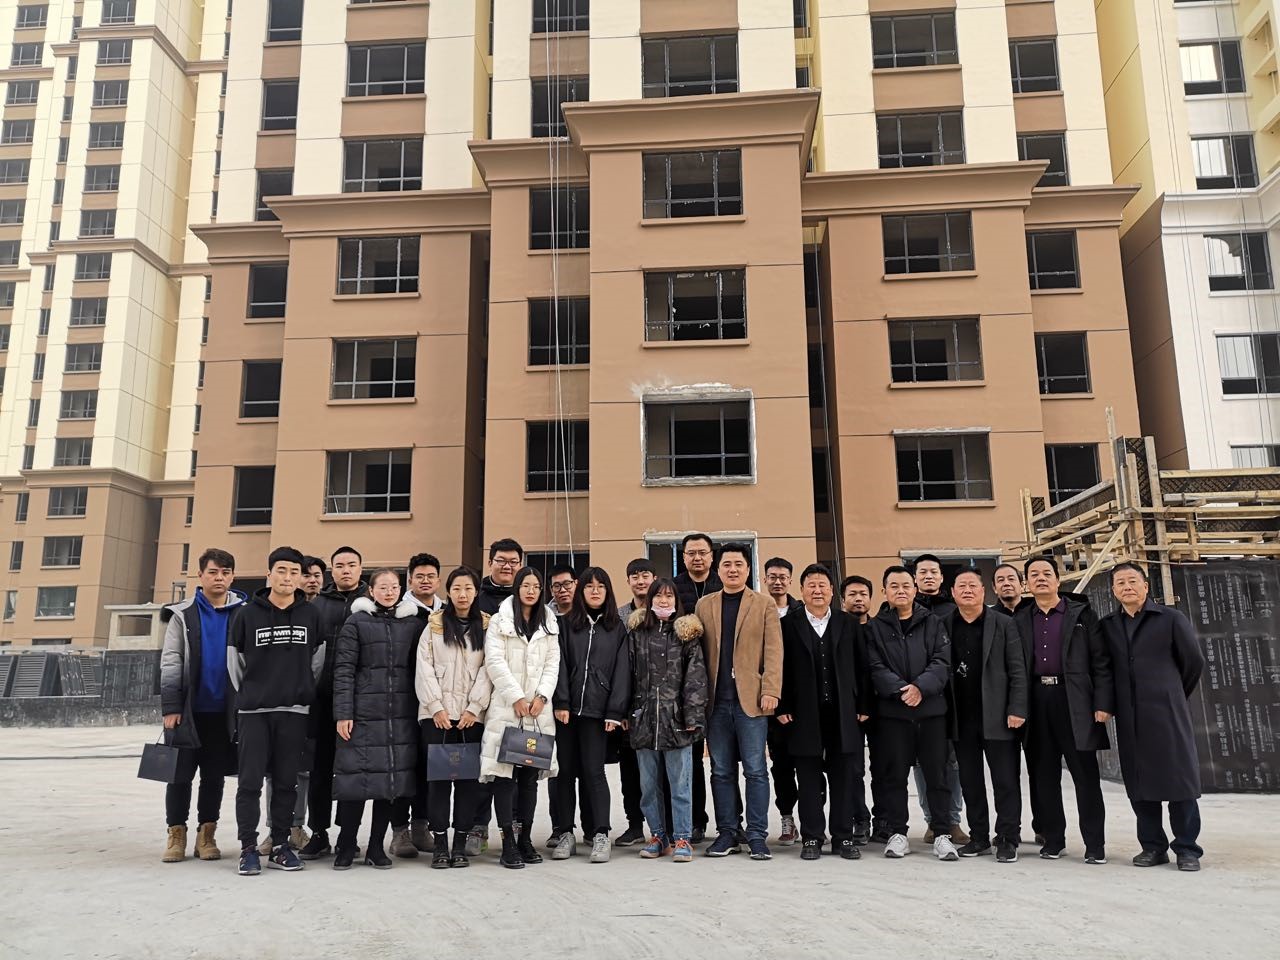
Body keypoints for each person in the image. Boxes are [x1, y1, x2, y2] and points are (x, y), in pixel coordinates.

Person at [1098, 563, 1206, 871]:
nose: (1127, 587)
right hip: (1130, 716)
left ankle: (1187, 848)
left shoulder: (1170, 619)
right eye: (1120, 582)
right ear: (1114, 590)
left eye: (1133, 581)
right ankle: (1153, 847)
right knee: (1139, 784)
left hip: (1168, 713)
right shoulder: (1108, 626)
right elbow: (1105, 669)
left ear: (1146, 586)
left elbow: (1193, 662)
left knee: (1179, 781)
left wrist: (1172, 693)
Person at [228, 546, 324, 877]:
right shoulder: (246, 615)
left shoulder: (311, 615)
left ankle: (281, 845)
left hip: (294, 711)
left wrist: (300, 692)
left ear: (301, 578)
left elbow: (317, 661)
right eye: (281, 570)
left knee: (286, 783)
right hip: (254, 712)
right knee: (250, 783)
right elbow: (235, 662)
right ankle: (248, 848)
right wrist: (253, 695)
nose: (287, 577)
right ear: (269, 574)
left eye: (294, 572)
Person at [1013, 556, 1114, 864]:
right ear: (1026, 584)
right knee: (1043, 776)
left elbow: (1101, 662)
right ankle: (1054, 839)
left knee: (1086, 777)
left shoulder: (1082, 615)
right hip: (1036, 701)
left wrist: (1102, 703)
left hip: (1075, 701)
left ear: (1058, 580)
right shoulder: (1020, 619)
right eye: (1034, 574)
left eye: (1047, 573)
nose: (1040, 578)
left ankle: (1095, 845)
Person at [776, 564, 869, 861]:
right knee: (808, 779)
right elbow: (780, 668)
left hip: (843, 712)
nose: (817, 590)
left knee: (844, 777)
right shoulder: (787, 625)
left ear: (831, 591)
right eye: (811, 585)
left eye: (822, 585)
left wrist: (864, 705)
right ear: (802, 590)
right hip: (803, 714)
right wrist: (782, 705)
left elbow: (862, 666)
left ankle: (843, 837)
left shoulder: (848, 623)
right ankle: (812, 837)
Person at [159, 548, 246, 863]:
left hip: (225, 713)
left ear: (232, 576)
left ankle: (206, 835)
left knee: (214, 776)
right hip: (187, 711)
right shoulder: (182, 614)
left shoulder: (244, 613)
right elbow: (171, 660)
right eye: (213, 572)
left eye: (225, 572)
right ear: (201, 575)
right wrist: (171, 706)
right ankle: (176, 834)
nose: (219, 578)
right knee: (179, 775)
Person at [864, 565, 957, 861]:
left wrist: (920, 688)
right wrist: (902, 690)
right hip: (893, 713)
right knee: (894, 776)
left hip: (931, 712)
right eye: (894, 586)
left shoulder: (933, 622)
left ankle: (942, 833)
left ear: (915, 589)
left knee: (937, 775)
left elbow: (942, 661)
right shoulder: (874, 628)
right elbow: (874, 666)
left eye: (906, 585)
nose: (901, 591)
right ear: (884, 591)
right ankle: (897, 833)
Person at [697, 542, 783, 860]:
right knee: (721, 770)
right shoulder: (705, 605)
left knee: (756, 770)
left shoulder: (763, 604)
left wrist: (771, 689)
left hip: (752, 701)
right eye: (727, 564)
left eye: (738, 564)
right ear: (718, 570)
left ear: (748, 569)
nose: (732, 569)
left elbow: (773, 651)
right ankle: (727, 832)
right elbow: (697, 654)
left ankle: (757, 834)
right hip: (716, 702)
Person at [331, 569, 421, 870]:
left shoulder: (412, 624)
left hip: (400, 715)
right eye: (383, 587)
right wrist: (344, 713)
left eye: (394, 587)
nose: (389, 592)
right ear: (371, 591)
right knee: (355, 781)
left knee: (389, 785)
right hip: (363, 715)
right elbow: (344, 670)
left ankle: (375, 847)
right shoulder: (356, 622)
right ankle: (346, 844)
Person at [944, 569, 1027, 862]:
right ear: (953, 592)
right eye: (961, 586)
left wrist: (1017, 708)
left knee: (1006, 781)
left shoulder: (1003, 623)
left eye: (973, 585)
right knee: (970, 782)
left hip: (999, 716)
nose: (967, 590)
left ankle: (1008, 838)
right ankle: (978, 837)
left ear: (983, 591)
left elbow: (1017, 669)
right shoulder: (943, 625)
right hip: (961, 717)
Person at [480, 566, 560, 869]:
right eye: (526, 585)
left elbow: (553, 664)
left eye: (536, 586)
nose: (531, 590)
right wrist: (516, 696)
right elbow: (494, 661)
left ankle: (525, 838)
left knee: (529, 779)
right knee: (504, 777)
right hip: (507, 708)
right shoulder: (500, 621)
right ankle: (507, 843)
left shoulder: (549, 622)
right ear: (517, 588)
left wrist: (542, 697)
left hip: (537, 711)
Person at [415, 566, 493, 868]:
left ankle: (459, 843)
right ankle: (440, 845)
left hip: (471, 718)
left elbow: (489, 669)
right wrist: (436, 707)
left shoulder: (486, 626)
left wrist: (475, 707)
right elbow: (424, 668)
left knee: (467, 783)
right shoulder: (434, 626)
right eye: (457, 588)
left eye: (468, 588)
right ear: (448, 592)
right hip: (437, 717)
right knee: (438, 783)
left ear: (476, 592)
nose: (463, 594)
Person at [551, 567, 630, 863]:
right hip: (567, 712)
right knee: (564, 773)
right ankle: (565, 833)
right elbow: (558, 664)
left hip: (598, 714)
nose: (595, 591)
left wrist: (615, 711)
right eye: (589, 586)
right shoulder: (565, 625)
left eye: (601, 586)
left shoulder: (616, 628)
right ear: (580, 591)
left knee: (594, 773)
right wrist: (561, 701)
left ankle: (600, 833)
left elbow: (622, 672)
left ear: (608, 591)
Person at [627, 578, 707, 863]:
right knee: (649, 787)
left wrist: (693, 716)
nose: (663, 600)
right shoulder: (637, 633)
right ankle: (658, 835)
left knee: (680, 785)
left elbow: (696, 678)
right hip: (644, 720)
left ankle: (682, 838)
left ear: (676, 601)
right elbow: (627, 675)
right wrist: (626, 712)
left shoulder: (686, 635)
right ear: (649, 600)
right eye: (658, 596)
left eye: (668, 596)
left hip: (677, 721)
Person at [299, 546, 366, 860]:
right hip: (322, 698)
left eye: (351, 565)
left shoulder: (371, 602)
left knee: (354, 770)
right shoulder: (317, 606)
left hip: (360, 701)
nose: (346, 570)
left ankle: (349, 835)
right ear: (332, 570)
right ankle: (318, 832)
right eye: (339, 565)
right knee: (320, 769)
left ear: (361, 568)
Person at [465, 538, 524, 857]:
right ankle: (478, 825)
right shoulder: (477, 596)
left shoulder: (526, 598)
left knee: (514, 762)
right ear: (490, 563)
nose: (507, 566)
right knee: (482, 763)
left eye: (513, 561)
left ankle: (512, 827)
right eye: (501, 560)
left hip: (514, 696)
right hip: (477, 691)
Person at [389, 551, 445, 859]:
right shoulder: (398, 612)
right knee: (402, 766)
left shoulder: (446, 613)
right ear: (409, 579)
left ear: (439, 580)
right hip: (402, 701)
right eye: (419, 576)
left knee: (429, 766)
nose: (425, 581)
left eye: (430, 576)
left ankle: (422, 827)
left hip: (436, 705)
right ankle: (399, 831)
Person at [909, 553, 965, 844]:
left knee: (951, 761)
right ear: (914, 578)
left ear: (942, 578)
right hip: (916, 697)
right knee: (922, 762)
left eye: (934, 572)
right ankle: (932, 821)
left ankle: (953, 820)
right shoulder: (903, 609)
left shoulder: (954, 609)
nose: (928, 576)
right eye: (923, 572)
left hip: (950, 697)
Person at [674, 533, 721, 844]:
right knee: (690, 761)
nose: (697, 558)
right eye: (691, 553)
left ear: (711, 556)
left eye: (702, 552)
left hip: (720, 681)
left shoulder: (723, 584)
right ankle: (695, 822)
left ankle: (731, 822)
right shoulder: (673, 588)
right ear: (684, 557)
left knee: (723, 761)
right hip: (686, 685)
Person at [613, 557, 655, 847]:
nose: (641, 581)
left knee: (661, 771)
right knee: (630, 770)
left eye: (645, 575)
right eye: (635, 577)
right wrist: (620, 708)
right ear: (628, 581)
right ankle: (635, 825)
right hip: (629, 706)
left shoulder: (665, 612)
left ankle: (664, 826)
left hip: (661, 705)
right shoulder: (618, 617)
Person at [763, 557, 803, 846]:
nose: (777, 581)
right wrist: (778, 704)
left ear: (790, 580)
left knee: (812, 764)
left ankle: (813, 818)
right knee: (782, 766)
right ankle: (787, 818)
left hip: (804, 703)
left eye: (782, 577)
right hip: (773, 705)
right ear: (765, 579)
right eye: (772, 577)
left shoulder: (803, 611)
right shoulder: (758, 610)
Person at [840, 573, 878, 845]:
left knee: (885, 768)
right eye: (852, 594)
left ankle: (885, 821)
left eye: (863, 594)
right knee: (853, 770)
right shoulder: (837, 629)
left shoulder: (881, 628)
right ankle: (860, 820)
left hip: (883, 708)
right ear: (843, 600)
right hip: (850, 709)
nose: (858, 599)